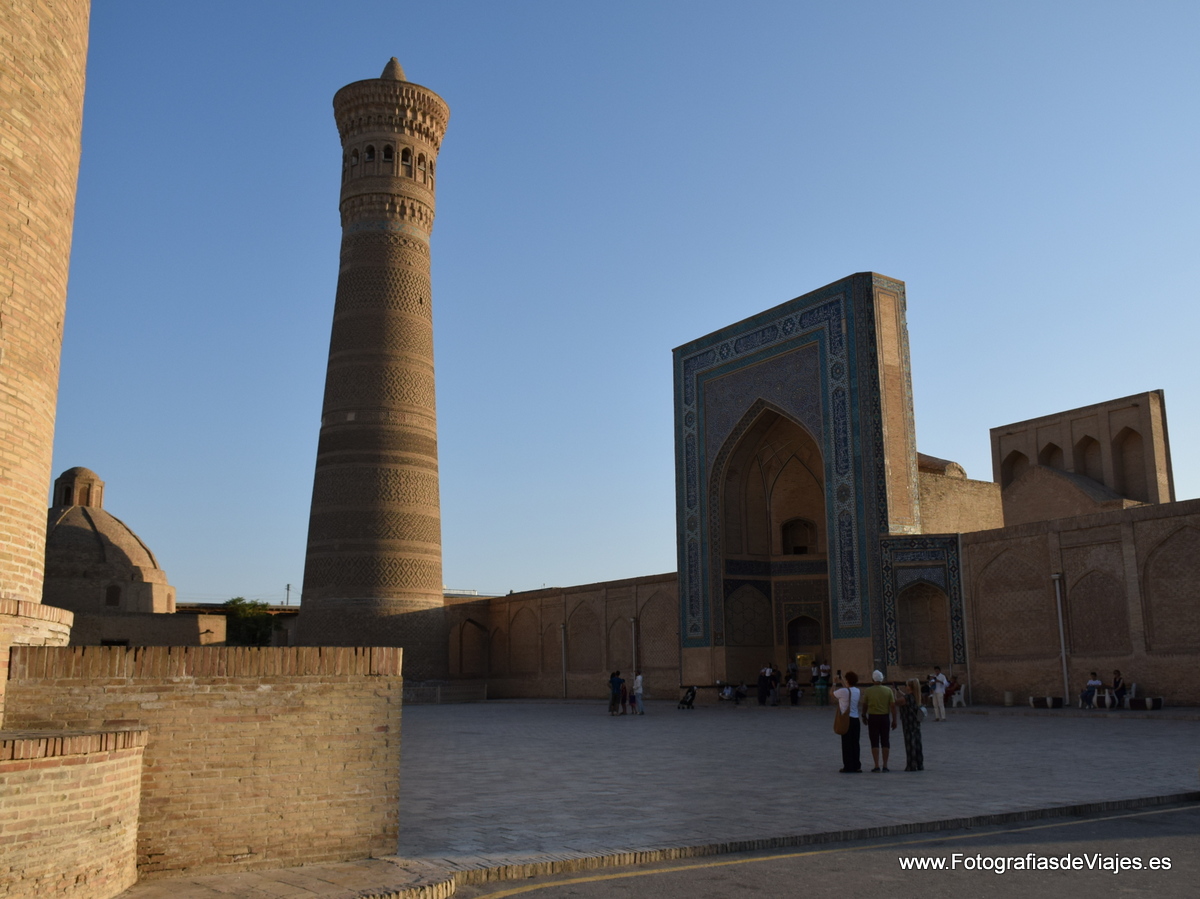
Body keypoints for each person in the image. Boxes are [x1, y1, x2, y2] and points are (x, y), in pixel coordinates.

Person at [860, 670, 898, 772]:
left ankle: (876, 765)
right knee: (885, 740)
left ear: (872, 679)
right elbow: (893, 706)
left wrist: (863, 715)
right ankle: (885, 765)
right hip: (885, 718)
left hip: (873, 718)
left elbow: (865, 705)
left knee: (874, 741)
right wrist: (894, 720)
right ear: (882, 679)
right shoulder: (888, 690)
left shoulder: (868, 691)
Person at [833, 671, 862, 773]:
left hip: (847, 720)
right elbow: (849, 691)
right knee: (855, 743)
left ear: (847, 680)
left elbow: (832, 693)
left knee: (846, 744)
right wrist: (842, 681)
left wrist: (834, 683)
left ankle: (848, 766)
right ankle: (856, 765)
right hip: (856, 719)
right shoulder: (857, 691)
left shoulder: (843, 691)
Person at [898, 678, 924, 771]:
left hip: (908, 723)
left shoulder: (907, 698)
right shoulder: (917, 697)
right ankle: (919, 764)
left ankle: (911, 765)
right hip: (916, 723)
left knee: (910, 744)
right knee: (917, 743)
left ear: (910, 687)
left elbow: (896, 702)